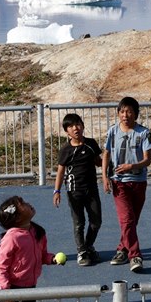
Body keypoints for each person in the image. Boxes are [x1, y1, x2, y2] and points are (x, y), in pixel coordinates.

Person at [0, 196, 65, 302]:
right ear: (18, 217)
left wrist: (52, 259)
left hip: (30, 289)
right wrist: (4, 290)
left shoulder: (37, 232)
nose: (29, 204)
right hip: (11, 290)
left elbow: (42, 256)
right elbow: (1, 265)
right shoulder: (12, 237)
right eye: (23, 204)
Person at [102, 96, 151, 271]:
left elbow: (147, 160)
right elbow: (107, 154)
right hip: (119, 183)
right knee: (127, 219)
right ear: (118, 113)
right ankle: (135, 255)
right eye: (122, 111)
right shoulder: (112, 132)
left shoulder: (144, 133)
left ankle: (121, 249)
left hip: (139, 182)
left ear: (136, 114)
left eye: (129, 111)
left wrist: (132, 166)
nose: (125, 115)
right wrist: (104, 176)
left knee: (131, 221)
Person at [53, 113, 103, 266]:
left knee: (96, 222)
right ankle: (82, 252)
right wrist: (57, 191)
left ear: (83, 125)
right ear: (67, 131)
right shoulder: (66, 150)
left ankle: (88, 246)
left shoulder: (91, 144)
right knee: (79, 223)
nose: (76, 128)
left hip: (92, 190)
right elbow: (60, 171)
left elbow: (99, 162)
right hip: (74, 192)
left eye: (78, 124)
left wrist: (109, 160)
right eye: (71, 126)